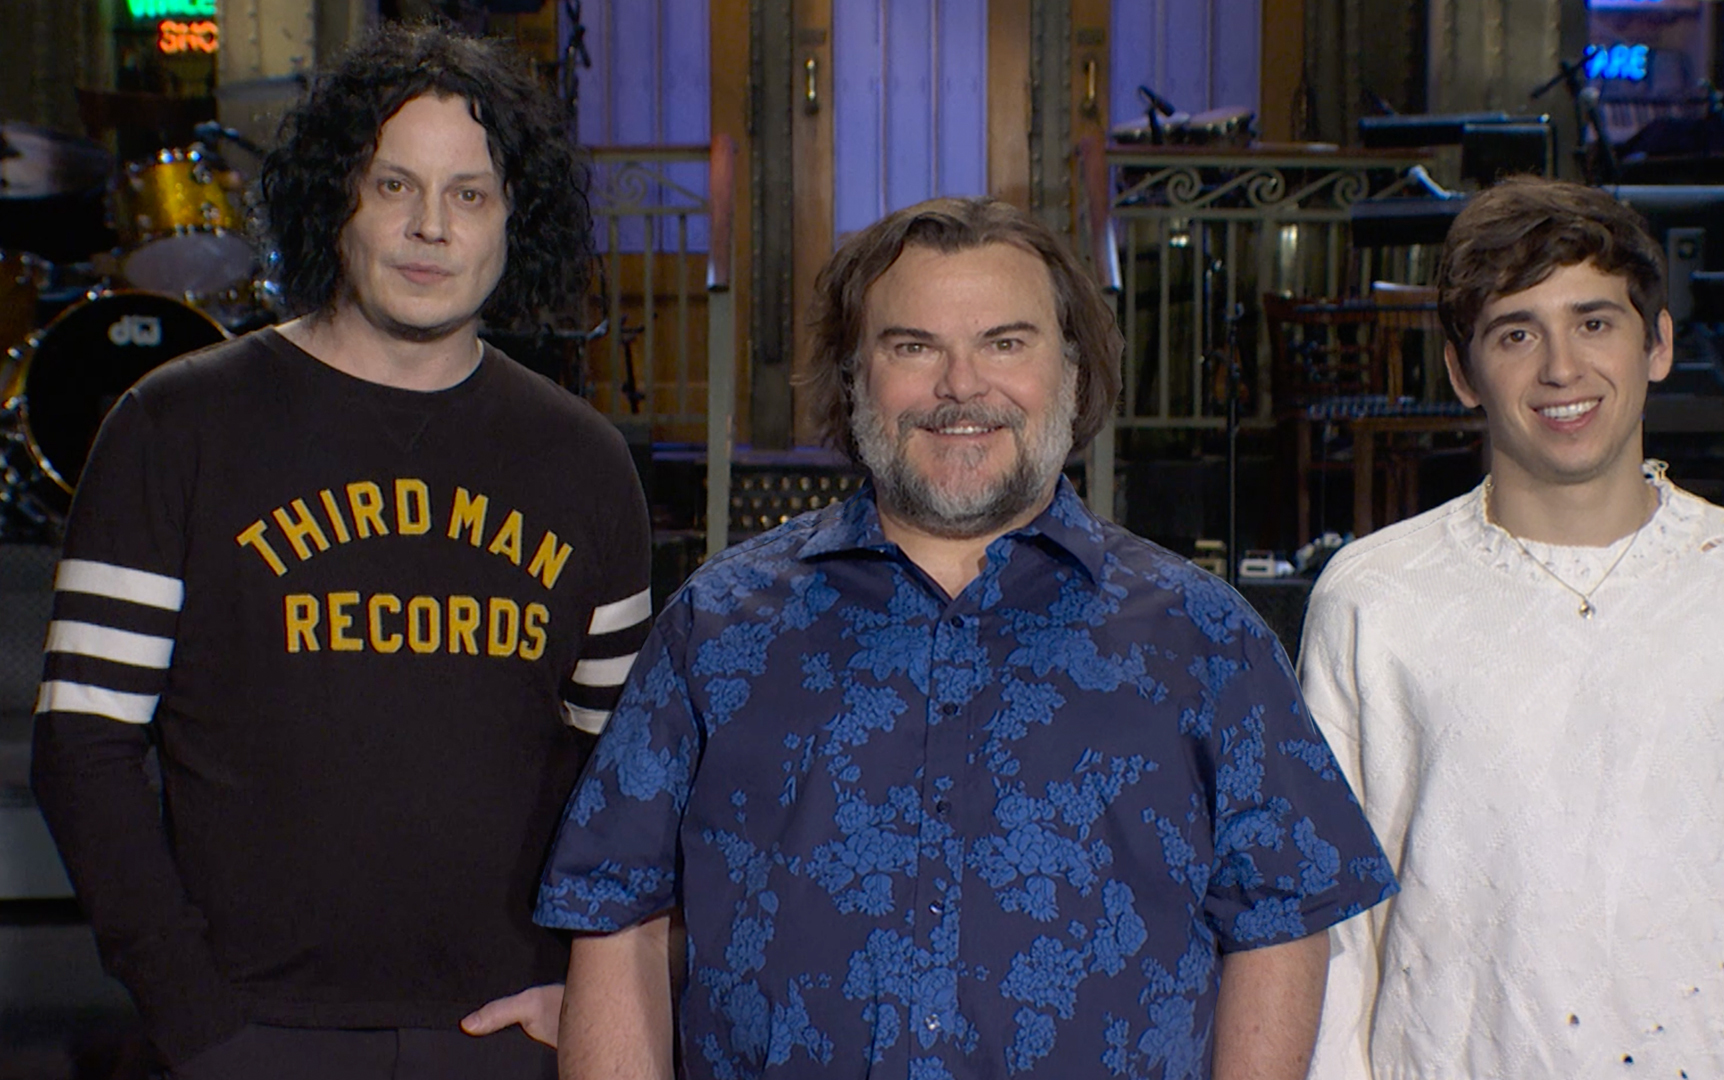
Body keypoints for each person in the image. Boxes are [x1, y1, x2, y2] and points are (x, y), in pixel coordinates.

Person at [533, 196, 1397, 1080]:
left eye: (1005, 343)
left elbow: (1279, 921)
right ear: (854, 376)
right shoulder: (717, 627)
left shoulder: (1205, 639)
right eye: (913, 347)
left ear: (1073, 373)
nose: (961, 386)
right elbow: (618, 917)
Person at [30, 24, 652, 1080]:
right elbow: (82, 746)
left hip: (505, 1034)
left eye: (469, 194)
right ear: (336, 201)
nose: (429, 227)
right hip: (250, 1035)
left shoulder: (583, 463)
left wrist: (582, 992)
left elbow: (625, 776)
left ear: (515, 220)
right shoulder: (175, 428)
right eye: (392, 184)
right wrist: (194, 1017)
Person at [1299, 176, 1724, 1079]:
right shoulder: (1375, 599)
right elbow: (1336, 937)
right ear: (1463, 373)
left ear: (1658, 343)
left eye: (1594, 322)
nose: (1562, 368)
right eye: (1517, 333)